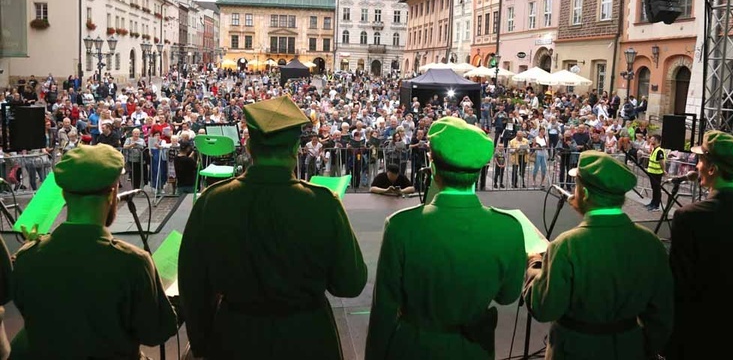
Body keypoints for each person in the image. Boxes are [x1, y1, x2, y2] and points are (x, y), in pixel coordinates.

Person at [178, 95, 367, 359]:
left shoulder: (212, 201)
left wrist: (202, 343)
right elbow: (350, 283)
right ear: (294, 149)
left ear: (248, 147)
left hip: (235, 338)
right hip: (308, 339)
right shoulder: (323, 203)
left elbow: (193, 285)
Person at [365, 116, 526, 360]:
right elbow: (508, 295)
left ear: (433, 168)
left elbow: (384, 309)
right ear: (479, 170)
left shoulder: (401, 226)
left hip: (413, 348)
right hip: (473, 351)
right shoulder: (509, 228)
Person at [11, 144, 177, 358]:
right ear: (113, 192)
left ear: (63, 193)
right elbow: (155, 334)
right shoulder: (132, 262)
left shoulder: (26, 258)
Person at [524, 151, 673, 360]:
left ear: (583, 193)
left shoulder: (567, 245)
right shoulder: (651, 243)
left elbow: (543, 308)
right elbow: (663, 313)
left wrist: (534, 264)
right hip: (630, 348)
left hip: (574, 350)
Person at [666, 131, 733, 360]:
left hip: (698, 337)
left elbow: (679, 287)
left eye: (701, 159)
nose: (697, 165)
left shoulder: (689, 217)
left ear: (712, 169)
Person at [646, 134, 666, 211]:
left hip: (657, 173)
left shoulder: (659, 150)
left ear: (656, 141)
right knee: (654, 188)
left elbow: (662, 162)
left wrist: (663, 170)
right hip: (652, 172)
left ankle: (656, 205)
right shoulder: (654, 149)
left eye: (652, 139)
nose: (651, 140)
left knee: (657, 189)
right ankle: (652, 202)